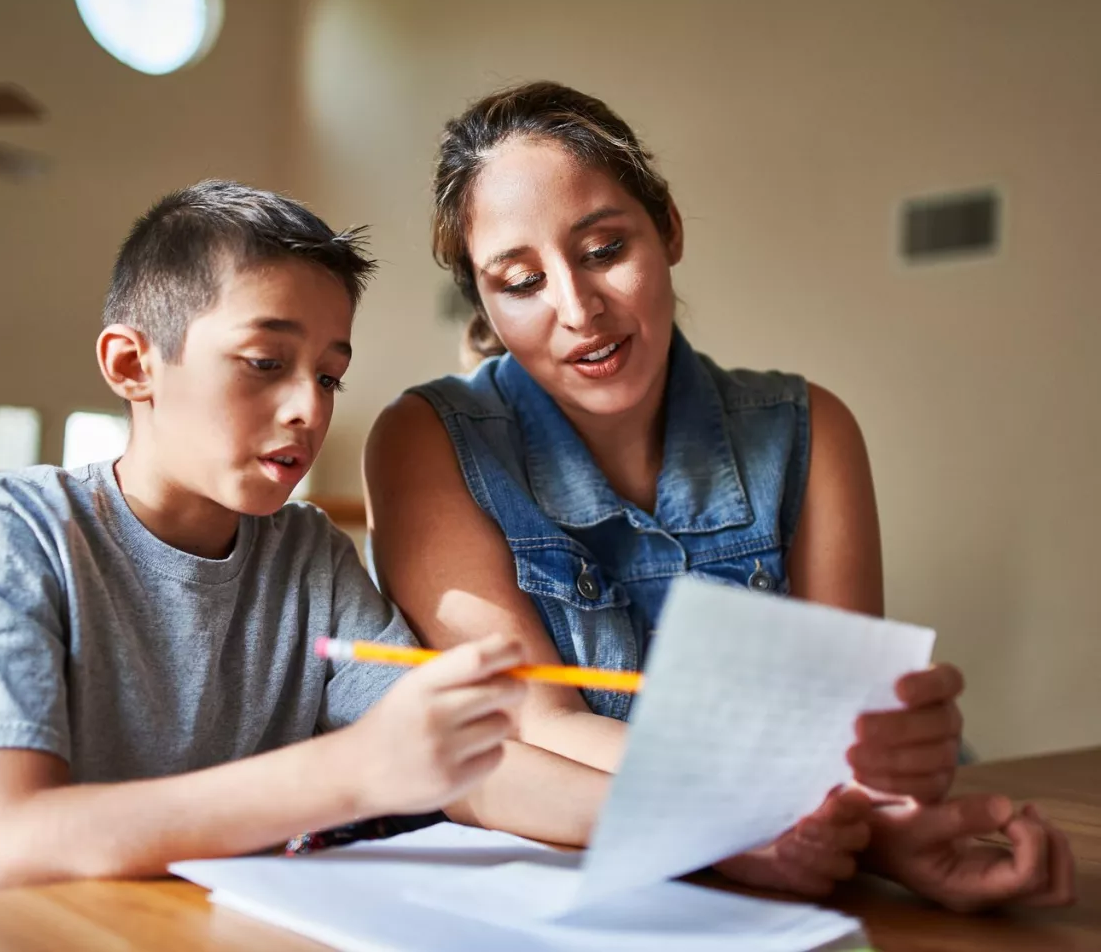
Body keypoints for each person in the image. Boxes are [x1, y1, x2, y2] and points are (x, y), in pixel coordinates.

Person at [364, 82, 1075, 911]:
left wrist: (897, 824)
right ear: (484, 298)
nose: (578, 307)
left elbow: (845, 740)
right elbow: (531, 726)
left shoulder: (811, 430)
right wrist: (746, 822)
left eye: (602, 250)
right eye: (520, 281)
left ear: (668, 228)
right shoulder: (427, 441)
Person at [0, 180, 525, 912]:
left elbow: (476, 770)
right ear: (132, 365)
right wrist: (351, 771)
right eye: (266, 362)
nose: (310, 407)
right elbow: (18, 844)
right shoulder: (7, 529)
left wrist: (661, 816)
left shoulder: (309, 556)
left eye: (329, 375)